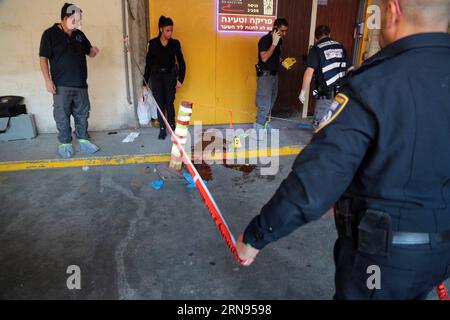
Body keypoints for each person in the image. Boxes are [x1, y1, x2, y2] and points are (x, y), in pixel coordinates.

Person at [237, 0, 450, 300]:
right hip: (439, 256)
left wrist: (255, 235)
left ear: (394, 10)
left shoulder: (376, 83)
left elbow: (313, 185)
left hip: (382, 261)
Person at [39, 3, 100, 159]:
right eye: (75, 20)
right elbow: (43, 58)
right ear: (65, 18)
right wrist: (47, 80)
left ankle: (83, 139)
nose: (78, 23)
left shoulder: (79, 35)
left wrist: (94, 51)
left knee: (82, 114)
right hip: (61, 85)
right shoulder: (49, 34)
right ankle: (65, 143)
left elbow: (90, 52)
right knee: (62, 115)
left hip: (80, 84)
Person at [299, 25, 351, 129]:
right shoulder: (340, 46)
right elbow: (350, 68)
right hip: (341, 95)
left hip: (325, 95)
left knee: (320, 126)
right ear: (329, 34)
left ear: (315, 38)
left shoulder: (317, 49)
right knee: (335, 123)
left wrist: (303, 92)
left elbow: (309, 71)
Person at [143, 16, 186, 140]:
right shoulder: (152, 43)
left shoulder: (175, 44)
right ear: (161, 29)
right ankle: (162, 129)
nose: (170, 33)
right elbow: (148, 64)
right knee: (159, 104)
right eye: (167, 30)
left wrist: (180, 79)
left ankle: (172, 127)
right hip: (156, 78)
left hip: (170, 77)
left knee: (169, 103)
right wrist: (144, 83)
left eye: (171, 30)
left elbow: (182, 62)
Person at [254, 18, 288, 135]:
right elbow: (264, 58)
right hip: (265, 76)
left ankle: (264, 124)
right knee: (264, 104)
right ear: (275, 28)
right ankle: (257, 131)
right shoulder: (265, 40)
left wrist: (283, 62)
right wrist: (274, 43)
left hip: (274, 76)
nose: (284, 33)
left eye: (285, 31)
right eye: (282, 31)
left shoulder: (280, 41)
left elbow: (275, 56)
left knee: (271, 102)